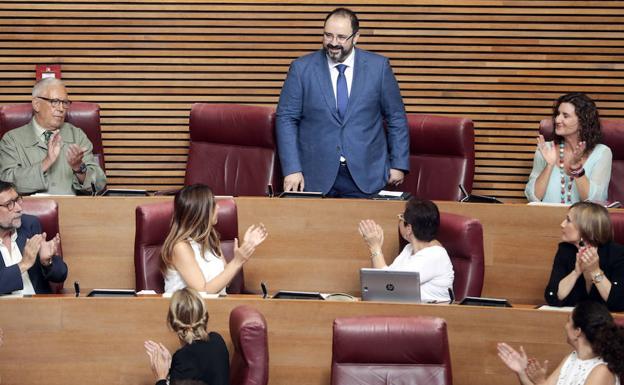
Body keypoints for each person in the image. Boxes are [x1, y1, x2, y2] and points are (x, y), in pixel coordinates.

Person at [275, 7, 409, 198]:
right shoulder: (301, 69)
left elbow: (396, 117)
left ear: (356, 37)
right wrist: (291, 169)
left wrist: (398, 164)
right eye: (328, 35)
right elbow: (286, 119)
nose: (333, 43)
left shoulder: (378, 68)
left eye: (341, 37)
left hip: (366, 175)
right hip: (314, 176)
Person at [0, 77, 106, 195]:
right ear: (36, 104)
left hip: (73, 210)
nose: (61, 109)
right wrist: (46, 162)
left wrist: (79, 168)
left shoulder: (77, 135)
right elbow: (6, 184)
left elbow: (99, 185)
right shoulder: (12, 140)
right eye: (54, 102)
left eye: (65, 103)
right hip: (29, 211)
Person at [161, 184, 267, 294]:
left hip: (216, 306)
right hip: (187, 310)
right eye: (213, 204)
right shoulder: (180, 247)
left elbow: (225, 282)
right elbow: (202, 292)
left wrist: (245, 249)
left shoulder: (211, 239)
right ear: (201, 211)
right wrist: (236, 261)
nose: (218, 207)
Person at [498, 300, 624, 385]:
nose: (565, 326)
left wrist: (541, 381)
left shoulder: (602, 371)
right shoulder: (571, 358)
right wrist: (521, 372)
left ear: (577, 331)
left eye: (568, 321)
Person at [358, 198, 454, 302]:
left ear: (409, 228)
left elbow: (388, 286)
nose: (399, 220)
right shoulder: (409, 249)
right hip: (409, 311)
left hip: (430, 313)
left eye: (401, 218)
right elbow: (384, 280)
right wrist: (376, 248)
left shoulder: (435, 255)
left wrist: (375, 247)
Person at [525, 92, 612, 204]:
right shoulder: (545, 149)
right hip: (545, 219)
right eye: (557, 114)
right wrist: (549, 166)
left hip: (581, 221)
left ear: (582, 122)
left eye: (565, 116)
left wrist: (577, 169)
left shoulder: (602, 153)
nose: (557, 120)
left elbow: (596, 201)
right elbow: (533, 198)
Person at [544, 201, 624, 311]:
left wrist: (595, 271)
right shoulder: (565, 250)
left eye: (568, 220)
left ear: (586, 228)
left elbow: (618, 304)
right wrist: (576, 272)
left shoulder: (617, 254)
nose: (562, 224)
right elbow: (552, 296)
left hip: (605, 324)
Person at [144, 288, 229, 385]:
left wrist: (160, 378)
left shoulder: (183, 358)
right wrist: (173, 368)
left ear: (172, 323)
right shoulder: (217, 340)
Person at [0, 180, 66, 294]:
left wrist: (47, 262)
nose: (19, 208)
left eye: (17, 200)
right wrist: (23, 264)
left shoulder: (29, 225)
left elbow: (60, 274)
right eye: (9, 204)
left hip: (39, 307)